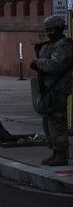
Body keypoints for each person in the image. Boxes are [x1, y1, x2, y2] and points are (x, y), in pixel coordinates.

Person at [30, 15, 73, 166]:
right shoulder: (52, 44)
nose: (48, 33)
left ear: (59, 29)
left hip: (57, 89)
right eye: (46, 30)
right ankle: (55, 151)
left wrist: (38, 62)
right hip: (49, 88)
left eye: (51, 30)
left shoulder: (64, 45)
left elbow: (55, 65)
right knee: (48, 122)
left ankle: (61, 154)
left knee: (57, 122)